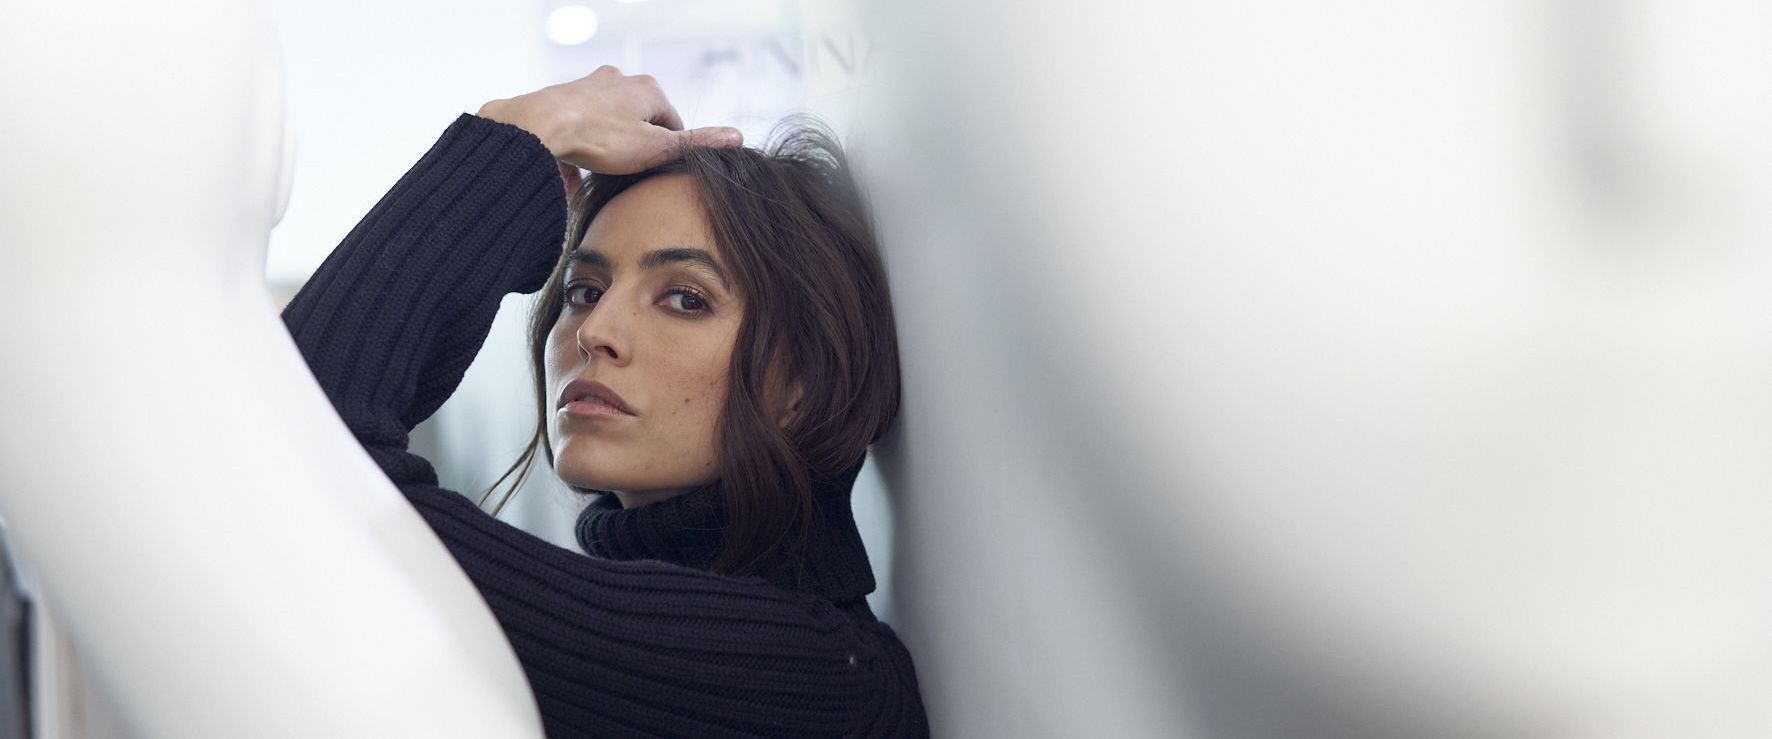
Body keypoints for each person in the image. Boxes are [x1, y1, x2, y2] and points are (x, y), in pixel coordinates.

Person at [280, 65, 927, 738]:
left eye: (685, 299)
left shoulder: (808, 677)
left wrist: (518, 136)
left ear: (803, 382)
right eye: (585, 290)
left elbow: (283, 458)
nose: (594, 331)